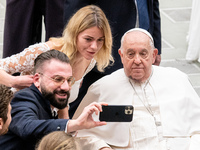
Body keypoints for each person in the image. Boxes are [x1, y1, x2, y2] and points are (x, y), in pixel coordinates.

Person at [73, 28, 200, 149]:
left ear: (154, 55)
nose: (137, 60)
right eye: (131, 54)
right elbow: (80, 133)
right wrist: (102, 147)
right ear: (121, 55)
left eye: (143, 54)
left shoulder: (177, 79)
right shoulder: (102, 87)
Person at [0, 5, 113, 117]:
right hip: (15, 117)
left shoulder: (89, 61)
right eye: (88, 39)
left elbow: (63, 106)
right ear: (74, 34)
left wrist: (67, 129)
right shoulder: (45, 50)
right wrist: (13, 81)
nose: (94, 46)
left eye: (100, 40)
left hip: (46, 123)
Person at [0, 50, 108, 150]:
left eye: (69, 80)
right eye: (58, 79)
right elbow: (27, 127)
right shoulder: (25, 98)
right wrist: (74, 124)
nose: (66, 87)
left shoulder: (51, 104)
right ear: (37, 80)